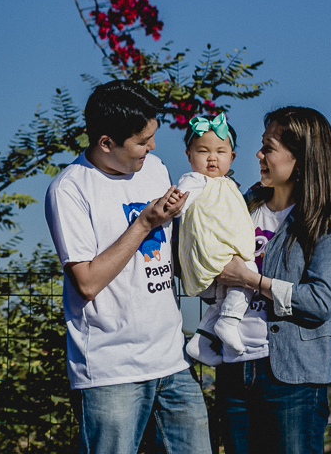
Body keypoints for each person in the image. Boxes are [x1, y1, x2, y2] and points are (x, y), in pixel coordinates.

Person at [44, 79, 209, 454]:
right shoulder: (70, 189)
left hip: (172, 359)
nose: (151, 147)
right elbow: (86, 282)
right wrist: (144, 224)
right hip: (110, 370)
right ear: (106, 143)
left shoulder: (155, 169)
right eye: (141, 141)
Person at [210, 106, 331, 454]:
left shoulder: (327, 219)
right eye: (262, 145)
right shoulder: (243, 205)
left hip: (293, 378)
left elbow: (319, 303)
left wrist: (251, 280)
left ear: (302, 159)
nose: (259, 155)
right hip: (235, 369)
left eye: (269, 148)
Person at [176, 113, 257, 361]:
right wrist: (174, 203)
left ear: (231, 157)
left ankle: (200, 342)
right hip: (212, 251)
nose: (212, 157)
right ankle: (229, 323)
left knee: (222, 299)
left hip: (222, 251)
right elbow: (180, 202)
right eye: (203, 151)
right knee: (249, 274)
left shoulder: (228, 184)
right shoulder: (194, 180)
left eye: (220, 151)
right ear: (189, 155)